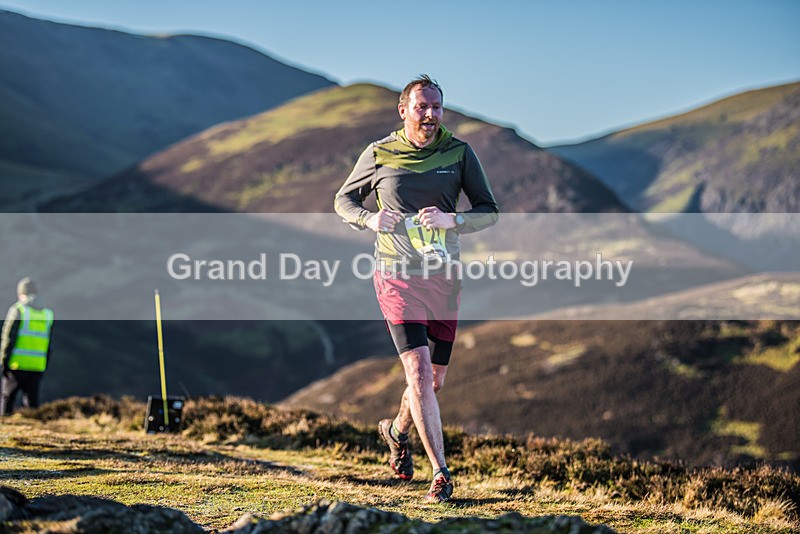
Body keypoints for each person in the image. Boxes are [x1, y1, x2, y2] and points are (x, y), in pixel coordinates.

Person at [334, 75, 498, 502]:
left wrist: (453, 220)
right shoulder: (379, 153)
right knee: (419, 373)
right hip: (395, 275)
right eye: (422, 107)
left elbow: (489, 211)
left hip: (443, 278)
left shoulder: (459, 153)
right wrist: (369, 219)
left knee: (434, 382)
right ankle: (441, 473)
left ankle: (395, 431)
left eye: (437, 107)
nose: (430, 115)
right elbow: (344, 200)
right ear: (403, 111)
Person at [1, 277, 54, 415]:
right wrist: (45, 363)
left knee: (7, 398)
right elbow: (48, 343)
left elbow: (8, 338)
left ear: (21, 294)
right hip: (37, 365)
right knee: (32, 404)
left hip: (16, 364)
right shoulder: (47, 314)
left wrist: (3, 361)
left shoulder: (18, 310)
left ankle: (6, 429)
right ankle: (35, 429)